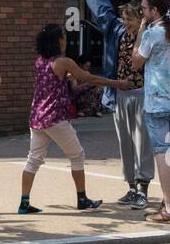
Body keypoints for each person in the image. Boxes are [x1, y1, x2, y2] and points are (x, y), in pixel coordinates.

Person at [80, 0, 170, 209]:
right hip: (121, 95)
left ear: (140, 18)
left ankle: (143, 188)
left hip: (145, 94)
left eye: (129, 19)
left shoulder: (153, 34)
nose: (125, 23)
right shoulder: (117, 32)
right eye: (123, 19)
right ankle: (131, 187)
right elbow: (102, 11)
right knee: (126, 143)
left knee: (145, 144)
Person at [18, 24, 118, 214]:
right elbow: (90, 78)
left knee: (34, 159)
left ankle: (24, 203)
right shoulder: (64, 62)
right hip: (55, 118)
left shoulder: (40, 61)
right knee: (77, 155)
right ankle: (82, 199)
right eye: (63, 36)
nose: (65, 39)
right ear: (58, 41)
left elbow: (58, 83)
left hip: (37, 117)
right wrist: (117, 83)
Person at [131, 0, 170, 224]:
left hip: (157, 102)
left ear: (154, 11)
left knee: (161, 154)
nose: (142, 12)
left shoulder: (152, 34)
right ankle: (169, 202)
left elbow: (136, 62)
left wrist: (139, 33)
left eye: (144, 9)